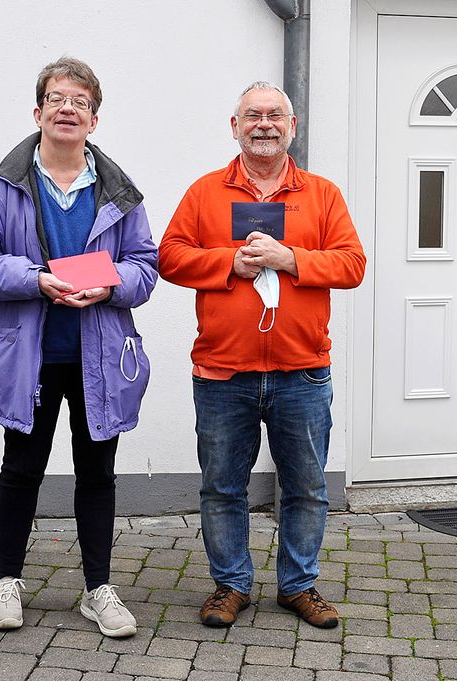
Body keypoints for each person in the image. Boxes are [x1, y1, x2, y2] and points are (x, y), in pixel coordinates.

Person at [0, 57, 157, 639]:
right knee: (21, 469)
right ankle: (6, 580)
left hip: (99, 358)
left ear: (94, 119)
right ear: (37, 112)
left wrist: (109, 286)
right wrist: (34, 279)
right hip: (30, 357)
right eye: (57, 99)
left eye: (80, 102)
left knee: (97, 473)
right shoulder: (3, 185)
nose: (68, 109)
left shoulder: (119, 192)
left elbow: (146, 266)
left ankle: (98, 590)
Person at [159, 81, 366, 629]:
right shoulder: (205, 192)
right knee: (221, 487)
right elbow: (170, 257)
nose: (265, 124)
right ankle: (231, 585)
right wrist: (228, 262)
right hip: (223, 371)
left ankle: (297, 586)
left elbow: (352, 264)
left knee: (307, 488)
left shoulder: (321, 194)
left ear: (292, 126)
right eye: (253, 115)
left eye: (275, 115)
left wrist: (290, 258)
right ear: (235, 127)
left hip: (303, 371)